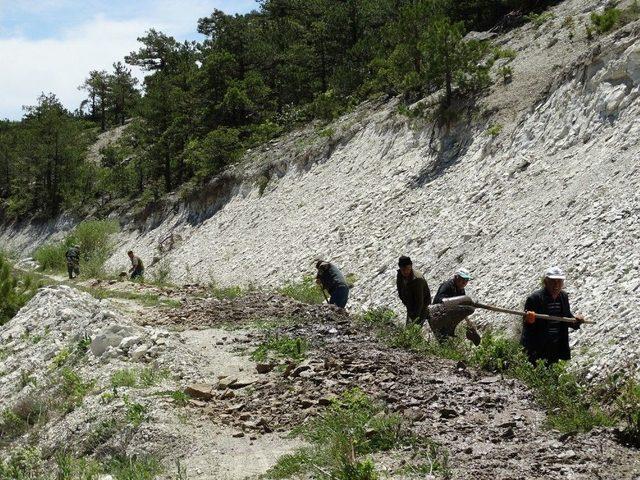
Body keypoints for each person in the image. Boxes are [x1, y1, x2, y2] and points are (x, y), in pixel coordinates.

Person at [520, 266, 584, 365]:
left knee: (552, 376)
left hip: (555, 346)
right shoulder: (534, 298)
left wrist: (576, 321)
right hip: (538, 346)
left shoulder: (563, 297)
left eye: (559, 281)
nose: (556, 285)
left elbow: (566, 318)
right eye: (553, 281)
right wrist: (530, 320)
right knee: (536, 375)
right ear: (546, 282)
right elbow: (527, 326)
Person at [396, 256, 431, 326]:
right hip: (410, 305)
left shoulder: (417, 279)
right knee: (409, 330)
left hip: (422, 306)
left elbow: (419, 302)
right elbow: (400, 290)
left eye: (408, 269)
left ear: (411, 266)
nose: (406, 272)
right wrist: (407, 305)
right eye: (403, 270)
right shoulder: (400, 275)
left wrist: (415, 319)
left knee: (414, 328)